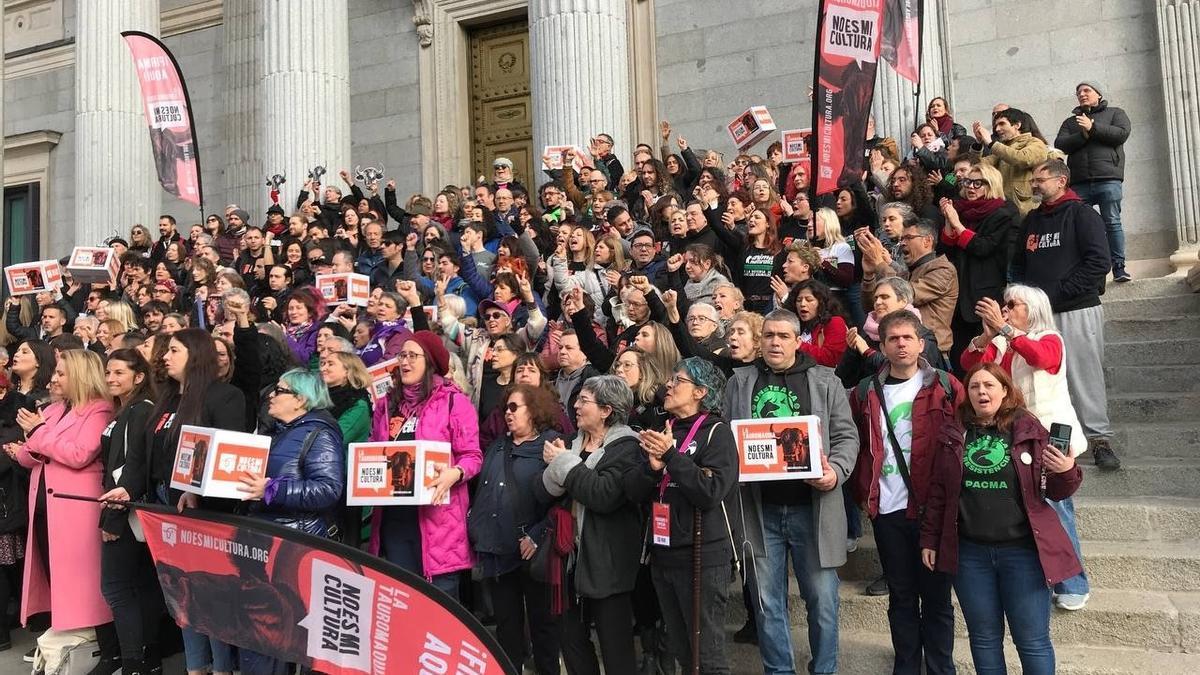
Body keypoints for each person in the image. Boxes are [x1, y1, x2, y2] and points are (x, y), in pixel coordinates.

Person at [920, 363, 1083, 675]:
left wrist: (1066, 470)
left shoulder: (1029, 431)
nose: (982, 391)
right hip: (971, 555)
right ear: (966, 394)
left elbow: (1058, 491)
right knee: (983, 639)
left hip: (1022, 553)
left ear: (1005, 390)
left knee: (1032, 640)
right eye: (975, 386)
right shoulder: (954, 433)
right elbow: (938, 491)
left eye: (989, 385)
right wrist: (930, 538)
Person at [724, 309, 859, 675]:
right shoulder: (739, 382)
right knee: (767, 604)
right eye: (768, 335)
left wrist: (837, 472)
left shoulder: (825, 381)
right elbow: (725, 438)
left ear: (797, 340)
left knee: (823, 602)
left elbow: (848, 436)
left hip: (813, 510)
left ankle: (825, 670)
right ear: (760, 339)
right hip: (760, 510)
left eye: (783, 336)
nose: (774, 342)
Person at [962, 284, 1092, 610]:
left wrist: (1005, 330)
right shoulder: (1002, 343)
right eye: (1003, 304)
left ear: (1031, 309)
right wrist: (986, 336)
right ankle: (1041, 580)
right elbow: (972, 366)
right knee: (1027, 510)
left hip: (1050, 438)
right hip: (1014, 439)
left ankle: (1072, 582)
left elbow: (1041, 358)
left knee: (1058, 511)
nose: (1004, 308)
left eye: (1012, 304)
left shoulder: (1050, 337)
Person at [849, 311, 962, 675]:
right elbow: (855, 443)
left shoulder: (944, 385)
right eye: (893, 339)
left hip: (934, 508)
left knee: (937, 599)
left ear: (920, 343)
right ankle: (907, 666)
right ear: (881, 345)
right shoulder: (867, 391)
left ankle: (941, 667)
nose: (900, 344)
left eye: (907, 338)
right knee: (901, 597)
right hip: (888, 509)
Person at [625, 358, 740, 675]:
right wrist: (652, 468)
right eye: (670, 380)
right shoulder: (664, 429)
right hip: (663, 554)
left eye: (678, 381)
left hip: (702, 556)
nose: (668, 386)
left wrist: (671, 456)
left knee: (708, 657)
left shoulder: (717, 432)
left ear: (700, 391)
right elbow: (633, 491)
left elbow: (710, 491)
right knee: (682, 652)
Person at [7, 351, 115, 668]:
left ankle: (85, 642)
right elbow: (29, 455)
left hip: (75, 510)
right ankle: (63, 635)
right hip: (46, 507)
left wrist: (39, 435)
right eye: (55, 372)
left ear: (80, 375)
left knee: (80, 577)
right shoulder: (53, 410)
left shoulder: (99, 409)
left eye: (61, 373)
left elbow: (80, 454)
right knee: (58, 574)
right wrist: (31, 441)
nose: (54, 378)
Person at [149, 329, 246, 675]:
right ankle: (195, 667)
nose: (165, 356)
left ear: (196, 355)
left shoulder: (225, 397)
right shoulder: (168, 399)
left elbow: (228, 456)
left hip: (205, 512)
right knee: (181, 593)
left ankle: (221, 668)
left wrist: (200, 490)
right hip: (166, 506)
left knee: (210, 595)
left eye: (174, 350)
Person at [236, 368, 345, 675]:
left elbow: (328, 489)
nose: (271, 394)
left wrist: (273, 489)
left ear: (300, 399)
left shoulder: (319, 433)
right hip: (266, 542)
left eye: (280, 390)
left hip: (295, 548)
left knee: (284, 637)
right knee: (263, 638)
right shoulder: (276, 432)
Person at [1012, 159, 1119, 470]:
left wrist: (1052, 295)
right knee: (1042, 379)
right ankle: (1052, 444)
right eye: (1032, 179)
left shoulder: (1082, 215)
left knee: (1085, 376)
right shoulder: (1031, 220)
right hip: (1039, 318)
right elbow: (1018, 265)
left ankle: (1099, 440)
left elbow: (1099, 263)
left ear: (1061, 181)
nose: (1033, 184)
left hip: (1077, 309)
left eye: (1040, 179)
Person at [537, 375, 642, 675]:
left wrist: (562, 464)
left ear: (607, 410)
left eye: (584, 400)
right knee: (571, 643)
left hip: (607, 564)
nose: (576, 405)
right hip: (568, 560)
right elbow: (542, 492)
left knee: (616, 650)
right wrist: (557, 464)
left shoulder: (627, 447)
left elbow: (603, 495)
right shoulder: (571, 442)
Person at [368, 331, 482, 596]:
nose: (404, 362)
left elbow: (473, 456)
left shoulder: (454, 402)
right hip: (394, 520)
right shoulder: (386, 405)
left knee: (438, 613)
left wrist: (455, 472)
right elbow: (374, 450)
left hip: (437, 521)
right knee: (399, 605)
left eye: (412, 356)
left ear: (430, 362)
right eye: (402, 355)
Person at [468, 384, 562, 674]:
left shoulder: (551, 446)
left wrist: (537, 534)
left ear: (533, 410)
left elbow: (562, 502)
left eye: (514, 408)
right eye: (504, 408)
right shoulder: (497, 445)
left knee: (542, 627)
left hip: (532, 554)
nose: (507, 414)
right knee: (507, 628)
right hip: (497, 551)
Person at [96, 350, 163, 675]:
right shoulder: (126, 409)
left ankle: (134, 662)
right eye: (108, 372)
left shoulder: (139, 411)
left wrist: (113, 517)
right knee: (139, 585)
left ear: (138, 376)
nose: (111, 378)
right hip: (128, 511)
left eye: (119, 373)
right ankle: (144, 660)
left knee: (117, 588)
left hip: (125, 513)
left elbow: (130, 468)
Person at [939, 163, 1020, 370]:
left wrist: (958, 226)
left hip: (987, 296)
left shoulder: (1003, 213)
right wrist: (949, 223)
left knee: (988, 362)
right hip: (959, 297)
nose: (971, 187)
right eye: (967, 182)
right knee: (962, 360)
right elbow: (945, 254)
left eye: (978, 183)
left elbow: (984, 247)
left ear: (991, 185)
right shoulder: (961, 211)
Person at [1054, 81, 1132, 281]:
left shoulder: (1116, 113)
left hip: (1108, 177)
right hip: (1079, 181)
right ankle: (1088, 271)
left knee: (1112, 222)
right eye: (1078, 92)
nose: (1082, 94)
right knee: (1078, 226)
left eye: (1087, 90)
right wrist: (1084, 134)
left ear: (1098, 94)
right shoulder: (1071, 122)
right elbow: (1060, 144)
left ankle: (1119, 267)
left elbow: (1121, 134)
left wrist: (1093, 127)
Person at [974, 108, 1050, 216]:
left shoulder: (1035, 142)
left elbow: (1023, 159)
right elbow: (978, 167)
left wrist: (991, 144)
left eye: (1002, 124)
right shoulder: (1002, 149)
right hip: (1005, 212)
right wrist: (978, 143)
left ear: (1017, 125)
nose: (997, 129)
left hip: (1027, 212)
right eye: (996, 126)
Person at [785, 280, 849, 368]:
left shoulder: (835, 322)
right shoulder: (792, 324)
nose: (802, 304)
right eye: (799, 300)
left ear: (821, 302)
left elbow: (831, 359)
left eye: (809, 300)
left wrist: (795, 344)